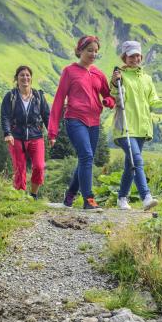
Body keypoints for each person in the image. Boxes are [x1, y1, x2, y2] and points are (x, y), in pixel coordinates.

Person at [110, 40, 162, 210]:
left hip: (142, 129)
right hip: (125, 128)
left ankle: (121, 198)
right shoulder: (120, 76)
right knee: (137, 160)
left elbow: (153, 102)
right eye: (131, 56)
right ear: (124, 57)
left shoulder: (147, 79)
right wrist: (114, 83)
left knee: (131, 164)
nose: (135, 59)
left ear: (141, 56)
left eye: (137, 55)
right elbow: (115, 97)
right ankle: (146, 197)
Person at [48, 35, 115, 210]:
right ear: (80, 51)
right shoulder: (69, 72)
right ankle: (89, 200)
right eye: (89, 50)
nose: (93, 54)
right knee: (86, 156)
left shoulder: (98, 74)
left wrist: (108, 102)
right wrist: (52, 131)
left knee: (85, 159)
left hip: (94, 122)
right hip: (74, 119)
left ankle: (69, 198)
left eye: (95, 51)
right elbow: (58, 100)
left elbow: (109, 95)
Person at [0, 65, 50, 199]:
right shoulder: (10, 96)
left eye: (28, 75)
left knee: (39, 167)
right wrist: (7, 133)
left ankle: (33, 194)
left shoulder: (38, 96)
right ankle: (20, 196)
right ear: (17, 78)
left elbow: (46, 115)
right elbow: (5, 116)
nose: (25, 78)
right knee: (19, 169)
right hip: (16, 137)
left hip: (36, 135)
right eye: (22, 75)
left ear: (31, 78)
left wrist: (52, 134)